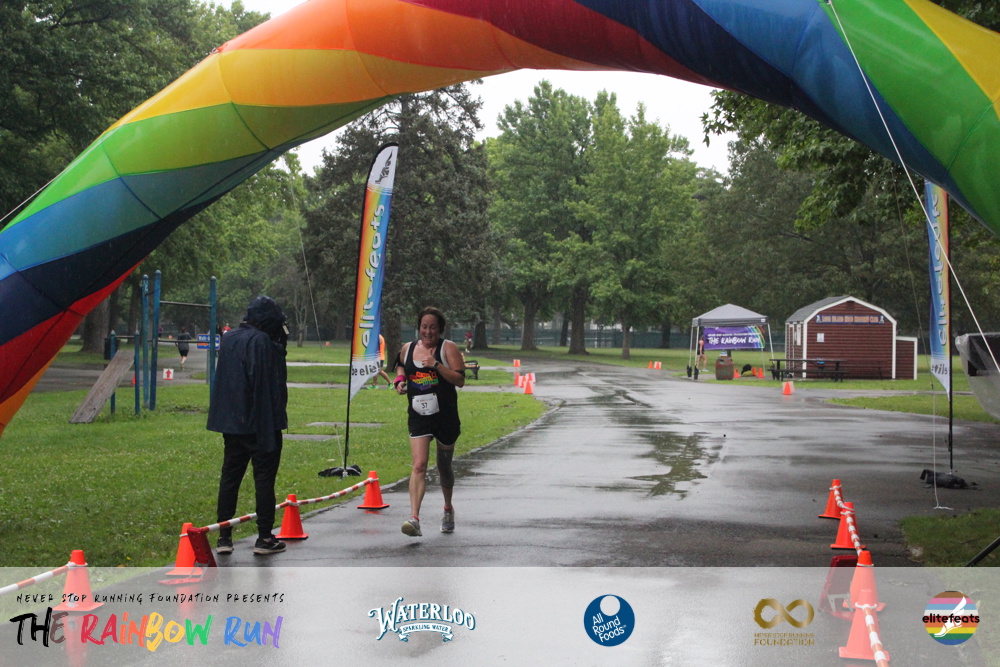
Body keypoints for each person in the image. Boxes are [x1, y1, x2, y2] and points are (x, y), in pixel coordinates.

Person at [206, 296, 290, 555]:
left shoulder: (230, 338)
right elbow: (267, 381)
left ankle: (224, 537)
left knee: (230, 478)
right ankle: (264, 536)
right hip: (260, 424)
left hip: (232, 423)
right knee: (264, 479)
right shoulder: (262, 341)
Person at [394, 307, 465, 537]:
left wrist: (436, 365)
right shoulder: (408, 348)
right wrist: (400, 380)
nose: (428, 331)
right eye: (424, 326)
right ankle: (414, 519)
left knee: (444, 467)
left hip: (445, 417)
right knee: (419, 465)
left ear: (440, 329)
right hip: (419, 416)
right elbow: (400, 364)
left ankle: (448, 508)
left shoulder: (448, 348)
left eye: (432, 327)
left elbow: (460, 380)